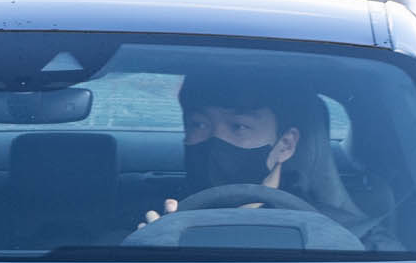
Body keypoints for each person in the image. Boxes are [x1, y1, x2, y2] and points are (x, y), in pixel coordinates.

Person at [143, 69, 369, 232]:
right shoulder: (151, 223)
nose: (215, 142)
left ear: (286, 145)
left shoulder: (348, 236)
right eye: (198, 124)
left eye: (239, 126)